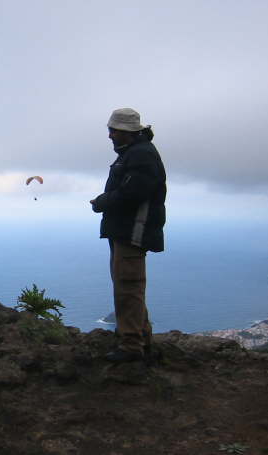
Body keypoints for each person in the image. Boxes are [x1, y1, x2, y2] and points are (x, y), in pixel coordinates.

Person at [90, 108, 166, 364]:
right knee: (127, 285)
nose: (110, 135)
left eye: (114, 130)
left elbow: (133, 193)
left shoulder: (141, 155)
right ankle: (141, 339)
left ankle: (132, 346)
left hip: (134, 231)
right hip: (124, 230)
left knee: (128, 287)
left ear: (127, 132)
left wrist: (102, 201)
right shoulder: (133, 153)